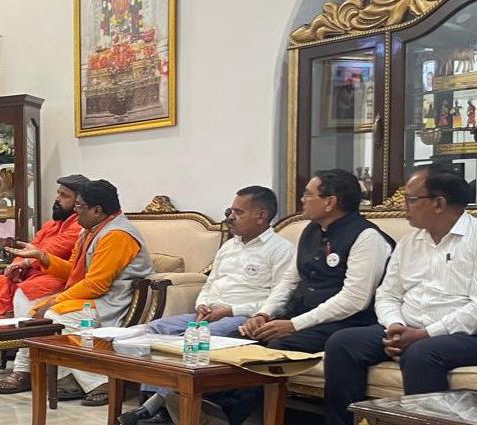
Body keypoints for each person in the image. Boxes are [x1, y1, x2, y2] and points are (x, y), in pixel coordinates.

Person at [207, 169, 395, 425]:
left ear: (330, 202)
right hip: (300, 316)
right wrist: (264, 314)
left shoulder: (367, 237)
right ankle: (205, 410)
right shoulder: (311, 231)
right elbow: (289, 281)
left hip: (345, 323)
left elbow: (354, 299)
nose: (302, 200)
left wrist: (294, 325)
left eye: (308, 194)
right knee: (234, 340)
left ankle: (229, 418)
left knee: (273, 350)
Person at [119, 186, 295, 425]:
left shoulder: (281, 250)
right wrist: (202, 304)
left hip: (242, 317)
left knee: (193, 339)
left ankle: (157, 409)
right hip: (209, 313)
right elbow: (210, 283)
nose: (230, 217)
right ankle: (151, 401)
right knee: (154, 330)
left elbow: (280, 299)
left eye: (238, 212)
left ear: (261, 216)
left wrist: (230, 311)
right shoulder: (229, 246)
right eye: (230, 211)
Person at [324, 164, 477, 425]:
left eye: (411, 199)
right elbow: (387, 295)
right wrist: (395, 325)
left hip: (463, 335)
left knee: (421, 353)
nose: (403, 206)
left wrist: (425, 334)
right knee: (343, 343)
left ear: (439, 203)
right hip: (408, 327)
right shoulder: (409, 242)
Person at [0, 179, 153, 406]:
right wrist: (41, 256)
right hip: (94, 298)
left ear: (97, 210)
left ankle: (101, 382)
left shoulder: (117, 235)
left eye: (79, 206)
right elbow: (74, 271)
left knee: (57, 316)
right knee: (36, 313)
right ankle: (34, 372)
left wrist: (55, 300)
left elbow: (96, 285)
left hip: (114, 301)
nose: (75, 212)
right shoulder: (90, 230)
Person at [0, 174, 87, 375]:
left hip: (56, 276)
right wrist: (15, 265)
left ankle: (25, 368)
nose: (57, 198)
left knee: (26, 291)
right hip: (32, 271)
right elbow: (30, 246)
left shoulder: (79, 225)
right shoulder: (52, 224)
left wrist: (25, 263)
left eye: (64, 195)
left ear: (79, 201)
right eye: (58, 193)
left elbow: (54, 250)